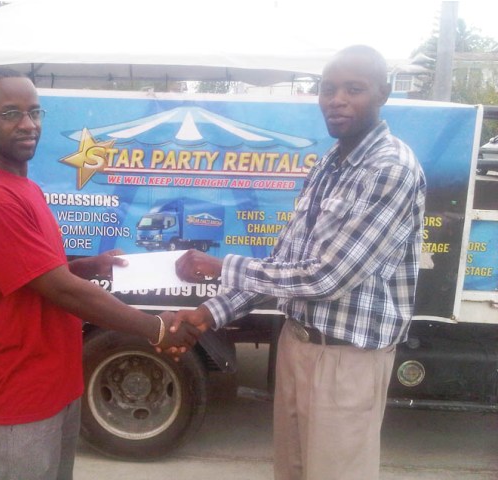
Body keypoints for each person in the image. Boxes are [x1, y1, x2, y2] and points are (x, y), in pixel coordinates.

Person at [170, 45, 427, 480]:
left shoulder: (391, 168)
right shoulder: (329, 165)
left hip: (347, 360)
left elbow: (328, 276)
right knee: (290, 471)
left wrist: (219, 267)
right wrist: (209, 313)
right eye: (328, 89)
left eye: (354, 89)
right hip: (297, 345)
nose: (337, 100)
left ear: (383, 93)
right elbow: (285, 264)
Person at [0, 67, 200, 480]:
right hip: (21, 393)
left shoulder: (22, 187)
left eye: (35, 112)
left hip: (56, 383)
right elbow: (61, 290)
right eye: (11, 113)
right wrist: (155, 328)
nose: (28, 124)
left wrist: (86, 266)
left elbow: (32, 274)